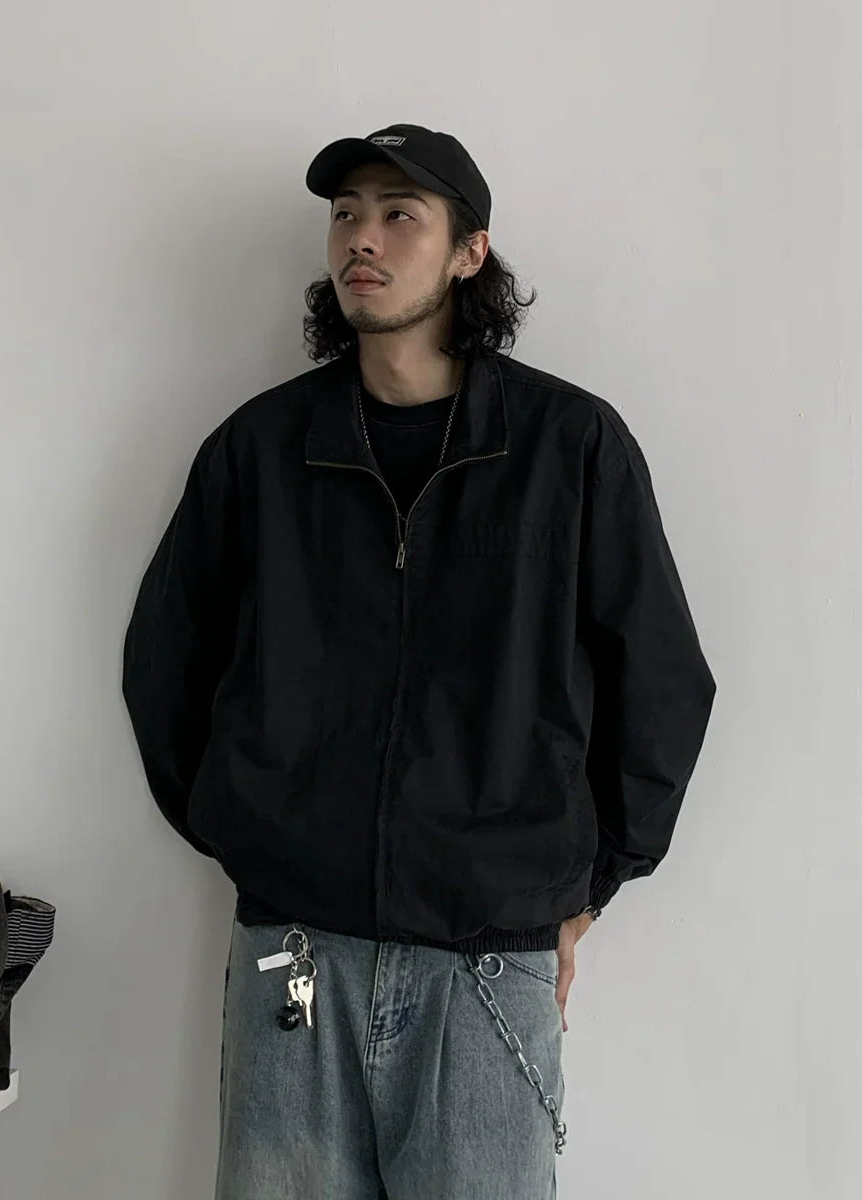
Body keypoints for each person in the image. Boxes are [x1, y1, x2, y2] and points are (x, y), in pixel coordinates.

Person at [121, 122, 717, 1199]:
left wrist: (586, 886)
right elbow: (166, 660)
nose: (364, 237)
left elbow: (663, 682)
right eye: (347, 213)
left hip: (490, 963)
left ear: (468, 253)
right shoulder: (260, 451)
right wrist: (258, 833)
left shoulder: (570, 448)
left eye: (401, 215)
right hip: (292, 951)